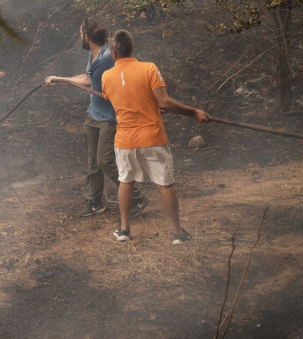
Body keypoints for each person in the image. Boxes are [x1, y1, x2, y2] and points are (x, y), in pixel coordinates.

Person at [100, 29, 209, 245]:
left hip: (125, 140)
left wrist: (150, 107)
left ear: (113, 53)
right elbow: (165, 102)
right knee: (164, 184)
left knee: (126, 180)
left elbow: (123, 101)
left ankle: (124, 230)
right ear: (132, 48)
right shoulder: (149, 68)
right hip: (152, 137)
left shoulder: (106, 76)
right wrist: (194, 112)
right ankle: (178, 234)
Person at [44, 19, 148, 218]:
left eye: (80, 34)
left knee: (104, 160)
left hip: (110, 117)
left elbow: (125, 74)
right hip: (94, 114)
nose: (79, 38)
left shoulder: (109, 56)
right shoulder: (94, 56)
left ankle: (137, 197)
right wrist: (59, 80)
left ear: (87, 37)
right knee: (93, 161)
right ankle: (94, 202)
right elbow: (87, 79)